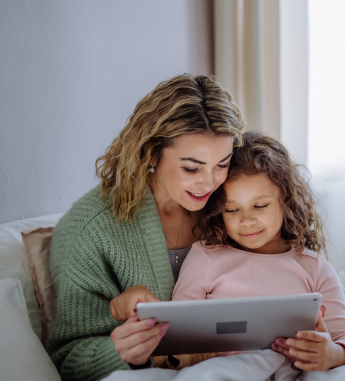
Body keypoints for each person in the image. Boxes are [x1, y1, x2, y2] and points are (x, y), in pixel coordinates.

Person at [47, 74, 245, 381]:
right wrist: (117, 353)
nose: (209, 182)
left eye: (222, 163)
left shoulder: (232, 203)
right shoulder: (89, 227)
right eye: (191, 167)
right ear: (151, 153)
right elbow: (68, 358)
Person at [173, 131, 345, 372]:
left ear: (285, 199)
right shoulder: (206, 257)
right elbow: (178, 329)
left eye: (260, 206)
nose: (247, 220)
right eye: (232, 210)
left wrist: (332, 354)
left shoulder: (313, 267)